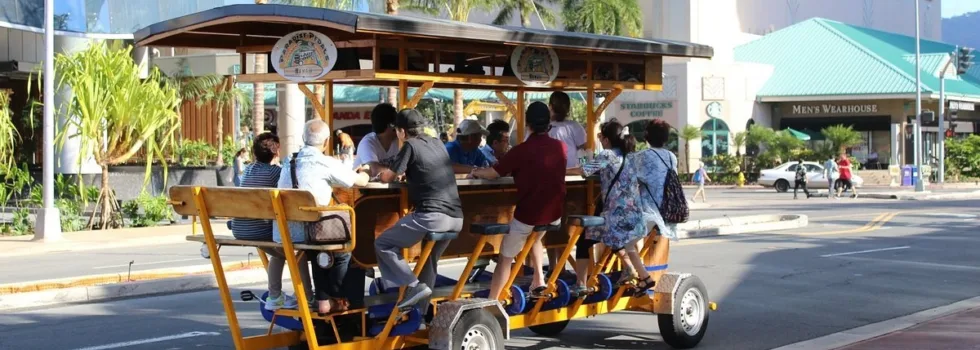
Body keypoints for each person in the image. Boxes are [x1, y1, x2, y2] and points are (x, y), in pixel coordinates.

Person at [472, 101, 567, 300]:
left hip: (528, 215)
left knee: (505, 259)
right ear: (548, 124)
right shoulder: (561, 147)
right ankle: (539, 280)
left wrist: (474, 171)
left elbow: (493, 173)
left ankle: (493, 300)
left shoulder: (520, 151)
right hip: (555, 215)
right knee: (536, 234)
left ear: (528, 124)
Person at [275, 119, 371, 315]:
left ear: (303, 139)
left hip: (284, 232)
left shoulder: (288, 162)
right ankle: (337, 298)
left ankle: (323, 300)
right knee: (343, 249)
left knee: (321, 247)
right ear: (327, 142)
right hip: (311, 233)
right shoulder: (324, 163)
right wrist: (366, 173)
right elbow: (357, 181)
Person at [373, 109, 465, 312]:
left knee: (383, 244)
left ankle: (413, 286)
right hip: (456, 217)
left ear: (402, 131)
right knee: (429, 259)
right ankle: (420, 312)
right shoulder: (437, 143)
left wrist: (375, 175)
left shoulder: (409, 146)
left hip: (432, 216)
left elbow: (389, 176)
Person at [567, 120, 651, 297]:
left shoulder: (607, 155)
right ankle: (630, 269)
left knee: (584, 241)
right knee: (613, 239)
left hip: (615, 215)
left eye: (600, 137)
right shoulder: (630, 156)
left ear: (605, 139)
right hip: (633, 214)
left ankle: (580, 284)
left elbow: (585, 171)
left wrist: (561, 170)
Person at [231, 133, 314, 311]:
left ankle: (275, 295)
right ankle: (307, 297)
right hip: (260, 229)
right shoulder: (277, 172)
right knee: (295, 251)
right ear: (276, 153)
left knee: (280, 251)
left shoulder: (248, 171)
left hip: (240, 229)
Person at [631, 119, 680, 242]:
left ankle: (632, 261)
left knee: (625, 242)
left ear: (647, 136)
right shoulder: (671, 156)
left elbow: (628, 177)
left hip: (648, 210)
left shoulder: (641, 156)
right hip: (668, 209)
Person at [353, 103, 400, 176]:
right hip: (364, 187)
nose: (400, 128)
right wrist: (399, 172)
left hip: (388, 185)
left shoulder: (399, 141)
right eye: (398, 124)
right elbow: (374, 170)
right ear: (391, 125)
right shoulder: (368, 142)